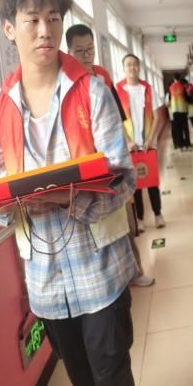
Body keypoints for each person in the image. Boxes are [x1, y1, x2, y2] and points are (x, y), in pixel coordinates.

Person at [0, 0, 139, 386]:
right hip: (45, 276)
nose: (45, 31)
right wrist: (15, 200)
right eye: (32, 19)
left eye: (53, 18)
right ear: (9, 28)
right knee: (78, 372)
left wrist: (59, 196)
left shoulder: (92, 91)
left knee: (111, 366)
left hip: (101, 264)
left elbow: (124, 178)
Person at [66, 23, 154, 287]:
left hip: (109, 161)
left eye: (90, 49)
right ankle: (108, 279)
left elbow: (118, 115)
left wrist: (127, 141)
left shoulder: (102, 76)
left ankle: (135, 271)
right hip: (82, 163)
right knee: (92, 228)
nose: (87, 56)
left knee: (122, 218)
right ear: (69, 52)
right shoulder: (66, 83)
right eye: (80, 51)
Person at [116, 53, 165, 231]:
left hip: (148, 144)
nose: (132, 68)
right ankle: (140, 218)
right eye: (128, 65)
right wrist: (128, 141)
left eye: (135, 64)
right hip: (130, 147)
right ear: (123, 68)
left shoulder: (148, 88)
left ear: (139, 67)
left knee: (152, 181)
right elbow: (117, 119)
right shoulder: (118, 90)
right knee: (135, 184)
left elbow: (157, 116)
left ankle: (158, 214)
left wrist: (151, 139)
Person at [169, 73, 190, 150]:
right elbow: (187, 98)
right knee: (185, 128)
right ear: (180, 78)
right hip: (183, 109)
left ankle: (180, 144)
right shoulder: (182, 86)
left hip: (175, 110)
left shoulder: (171, 87)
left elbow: (169, 99)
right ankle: (187, 143)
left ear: (173, 78)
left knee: (178, 128)